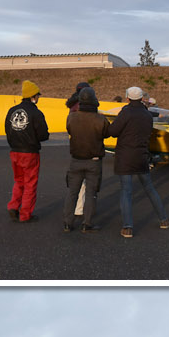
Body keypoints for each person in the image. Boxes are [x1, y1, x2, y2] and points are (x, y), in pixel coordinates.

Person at [104, 88, 169, 238]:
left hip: (125, 156)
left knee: (126, 191)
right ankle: (164, 219)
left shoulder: (126, 112)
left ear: (127, 98)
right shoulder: (147, 115)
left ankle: (127, 227)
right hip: (142, 155)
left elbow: (112, 131)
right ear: (141, 98)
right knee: (149, 188)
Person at [63, 82, 107, 232]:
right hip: (93, 161)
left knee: (72, 192)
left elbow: (69, 130)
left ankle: (68, 223)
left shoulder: (71, 117)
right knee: (90, 193)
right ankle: (87, 223)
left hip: (76, 160)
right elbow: (107, 133)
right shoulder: (100, 119)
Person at [4, 80, 49, 223]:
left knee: (19, 181)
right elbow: (43, 135)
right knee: (30, 183)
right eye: (38, 95)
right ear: (33, 96)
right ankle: (25, 215)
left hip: (14, 151)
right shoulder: (36, 113)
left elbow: (7, 130)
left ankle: (13, 206)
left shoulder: (12, 111)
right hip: (30, 152)